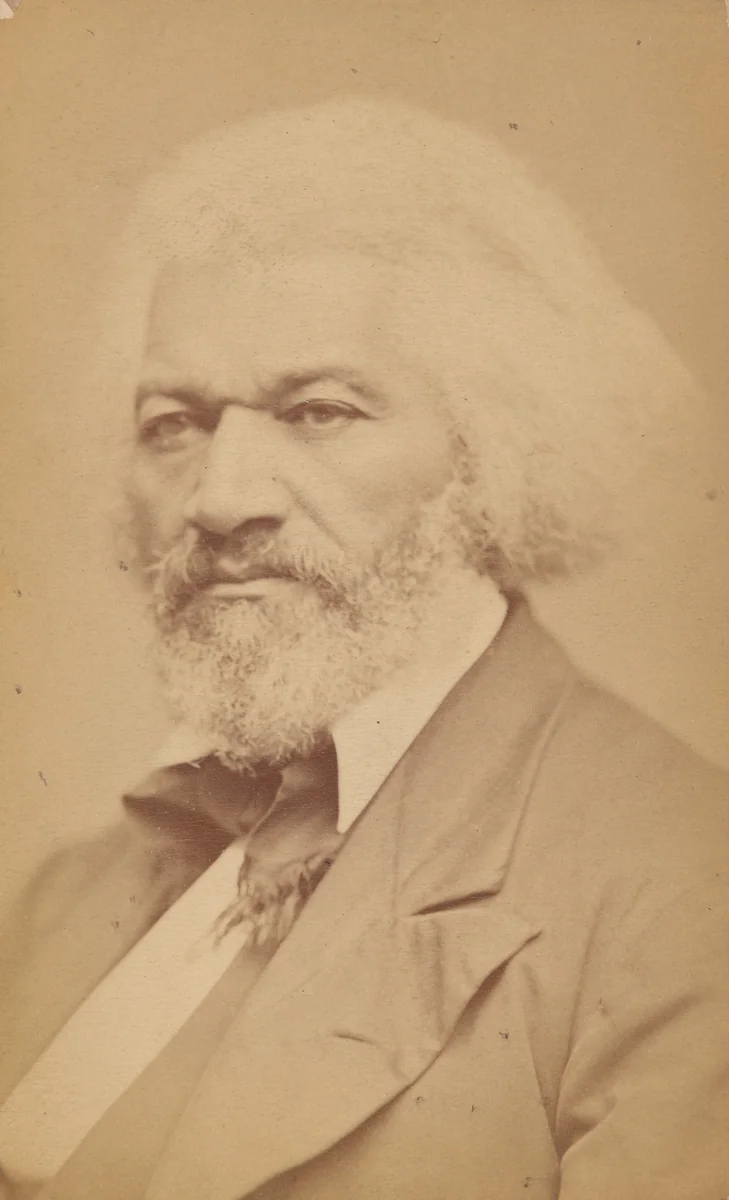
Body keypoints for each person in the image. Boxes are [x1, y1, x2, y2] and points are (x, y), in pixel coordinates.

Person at [0, 96, 727, 1200]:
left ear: (488, 457)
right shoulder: (63, 899)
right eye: (173, 423)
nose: (221, 496)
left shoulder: (683, 896)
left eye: (319, 411)